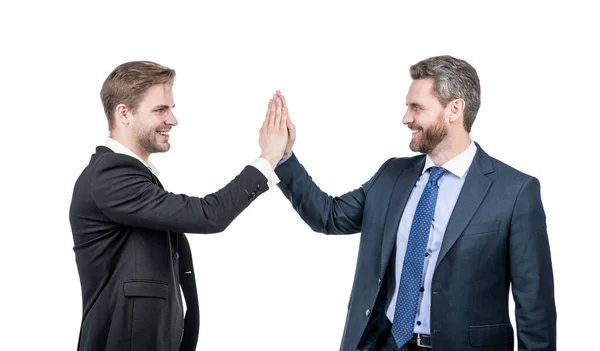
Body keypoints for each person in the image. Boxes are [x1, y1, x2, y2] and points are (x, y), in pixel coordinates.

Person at [274, 55, 556, 351]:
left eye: (417, 108)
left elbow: (534, 308)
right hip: (385, 343)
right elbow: (329, 217)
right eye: (407, 106)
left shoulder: (514, 191)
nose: (406, 118)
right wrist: (284, 157)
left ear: (454, 110)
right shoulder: (392, 175)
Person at [69, 60, 288, 351]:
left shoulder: (131, 178)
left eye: (171, 109)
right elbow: (209, 215)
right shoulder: (109, 177)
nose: (172, 120)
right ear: (124, 113)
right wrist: (267, 158)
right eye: (160, 110)